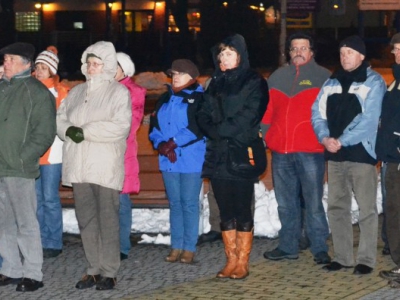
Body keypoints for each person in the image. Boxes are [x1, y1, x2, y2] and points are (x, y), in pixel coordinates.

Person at [57, 41, 131, 290]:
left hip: (104, 166)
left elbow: (120, 126)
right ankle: (93, 268)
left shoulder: (118, 92)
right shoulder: (76, 92)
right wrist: (68, 130)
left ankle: (109, 270)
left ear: (108, 66)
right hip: (79, 166)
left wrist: (84, 131)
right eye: (89, 63)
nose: (92, 67)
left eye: (97, 63)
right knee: (86, 220)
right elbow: (60, 119)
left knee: (107, 219)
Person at [197, 34, 269, 279]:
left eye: (228, 53)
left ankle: (243, 262)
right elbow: (202, 113)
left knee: (242, 208)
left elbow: (251, 112)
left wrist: (222, 130)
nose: (223, 58)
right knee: (225, 209)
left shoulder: (254, 81)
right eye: (221, 54)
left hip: (241, 151)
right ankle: (230, 260)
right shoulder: (214, 82)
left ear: (240, 55)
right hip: (218, 154)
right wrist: (213, 130)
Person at [312, 35, 386, 275]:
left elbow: (369, 120)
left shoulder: (373, 81)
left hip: (361, 153)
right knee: (336, 207)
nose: (345, 57)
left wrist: (340, 141)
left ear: (362, 56)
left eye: (350, 52)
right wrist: (325, 138)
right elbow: (317, 114)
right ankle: (343, 257)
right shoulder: (331, 81)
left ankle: (366, 259)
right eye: (342, 53)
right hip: (335, 156)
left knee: (367, 209)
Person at [262, 32, 331, 264]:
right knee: (286, 203)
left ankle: (319, 247)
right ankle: (288, 245)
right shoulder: (278, 77)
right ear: (289, 52)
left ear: (311, 51)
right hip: (281, 151)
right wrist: (267, 135)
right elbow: (267, 111)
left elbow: (331, 112)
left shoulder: (323, 77)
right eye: (294, 49)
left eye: (303, 48)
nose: (298, 52)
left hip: (311, 150)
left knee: (313, 202)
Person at [0, 42, 56, 292]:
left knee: (25, 222)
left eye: (10, 59)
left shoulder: (37, 92)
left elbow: (44, 133)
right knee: (3, 222)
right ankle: (11, 268)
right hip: (1, 166)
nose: (5, 63)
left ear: (25, 63)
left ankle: (33, 273)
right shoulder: (2, 88)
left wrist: (24, 157)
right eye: (5, 59)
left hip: (19, 167)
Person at [149, 59, 206, 264]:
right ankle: (176, 246)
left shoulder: (199, 98)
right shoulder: (164, 98)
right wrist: (161, 144)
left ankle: (189, 247)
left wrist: (174, 142)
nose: (175, 77)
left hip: (190, 158)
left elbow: (198, 126)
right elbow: (154, 127)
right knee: (175, 204)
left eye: (180, 74)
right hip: (168, 159)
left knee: (189, 204)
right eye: (173, 74)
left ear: (191, 77)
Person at [34, 46, 69, 259]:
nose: (38, 71)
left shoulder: (61, 93)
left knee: (49, 198)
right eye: (37, 67)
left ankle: (53, 241)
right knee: (36, 199)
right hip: (32, 153)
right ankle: (37, 239)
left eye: (43, 68)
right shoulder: (28, 89)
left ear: (52, 71)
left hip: (53, 154)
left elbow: (62, 122)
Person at [115, 52, 146, 261]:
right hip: (103, 154)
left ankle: (122, 246)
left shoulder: (133, 91)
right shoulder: (104, 88)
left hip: (122, 152)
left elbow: (131, 124)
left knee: (121, 200)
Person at [376, 32, 400, 284]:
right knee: (393, 211)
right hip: (390, 158)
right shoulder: (395, 81)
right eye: (395, 49)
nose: (397, 53)